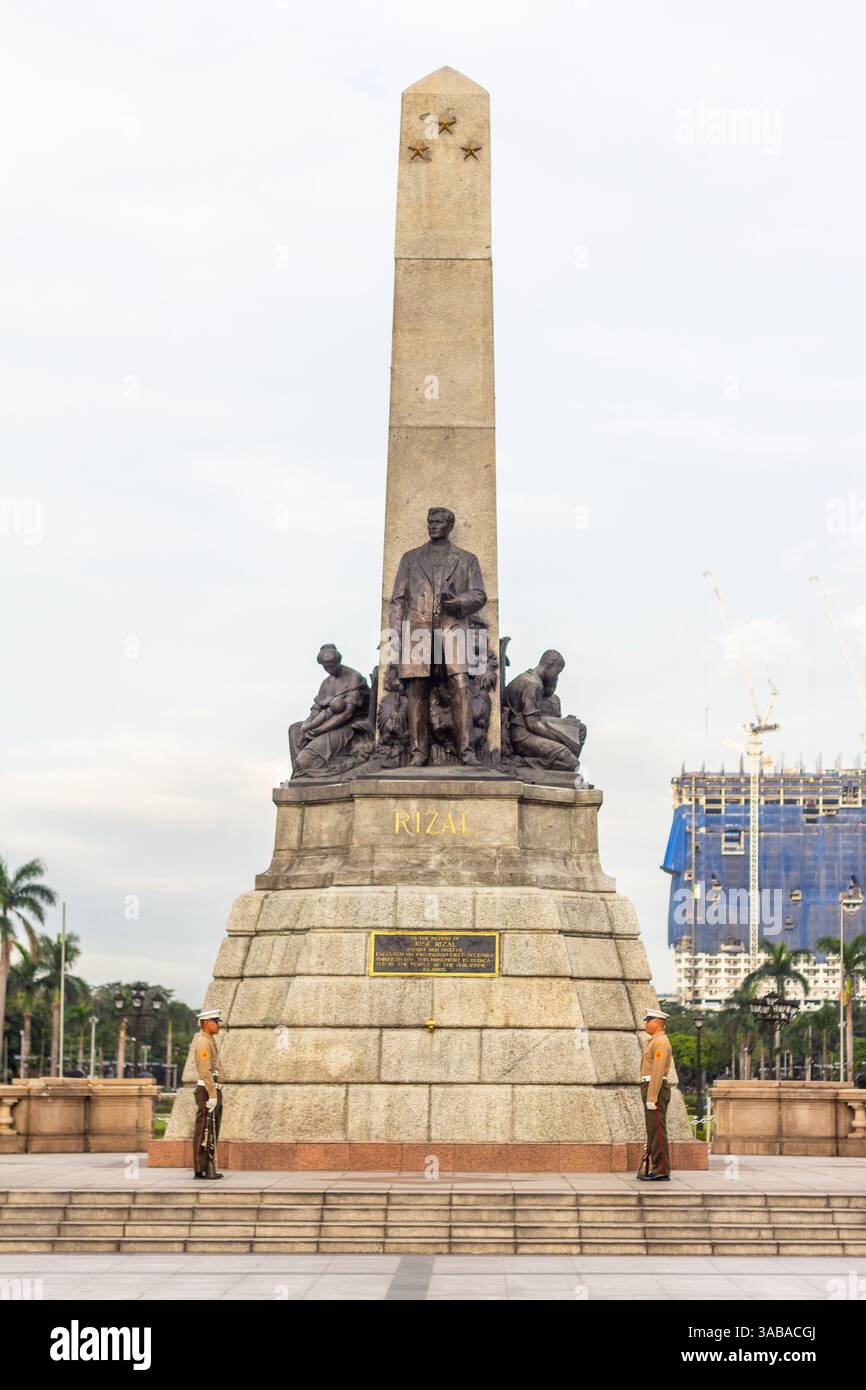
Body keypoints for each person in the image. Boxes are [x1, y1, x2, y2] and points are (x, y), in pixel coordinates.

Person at [387, 507, 487, 767]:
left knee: (461, 686)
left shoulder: (467, 559)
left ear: (449, 526)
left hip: (452, 629)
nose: (433, 526)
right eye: (430, 521)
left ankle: (467, 751)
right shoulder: (411, 558)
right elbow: (397, 600)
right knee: (417, 689)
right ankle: (419, 752)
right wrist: (396, 635)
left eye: (439, 522)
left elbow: (479, 594)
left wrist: (459, 603)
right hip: (418, 632)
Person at [290, 644, 372, 777]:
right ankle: (302, 772)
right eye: (325, 666)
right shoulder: (326, 683)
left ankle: (309, 767)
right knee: (295, 730)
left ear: (338, 661)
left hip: (350, 726)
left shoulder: (353, 677)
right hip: (326, 721)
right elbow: (316, 709)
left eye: (332, 665)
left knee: (304, 759)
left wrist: (319, 730)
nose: (329, 669)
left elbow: (347, 714)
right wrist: (306, 726)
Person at [504, 650, 586, 771]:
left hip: (524, 730)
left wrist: (565, 723)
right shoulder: (532, 684)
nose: (556, 677)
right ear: (548, 665)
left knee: (579, 728)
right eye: (557, 673)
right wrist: (564, 739)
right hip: (521, 736)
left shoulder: (529, 679)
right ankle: (519, 762)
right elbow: (533, 724)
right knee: (572, 763)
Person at [638, 1008, 673, 1181]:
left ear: (657, 1023)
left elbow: (658, 1071)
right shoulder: (654, 1041)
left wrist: (652, 1097)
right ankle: (656, 1167)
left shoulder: (660, 1043)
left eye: (648, 1020)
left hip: (656, 1089)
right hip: (651, 1086)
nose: (646, 1024)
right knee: (653, 1130)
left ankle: (661, 1170)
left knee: (658, 1131)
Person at [192, 1008, 225, 1180]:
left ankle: (205, 1165)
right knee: (205, 1129)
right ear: (206, 1023)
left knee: (210, 1129)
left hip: (211, 1089)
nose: (218, 1025)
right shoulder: (203, 1042)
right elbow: (205, 1071)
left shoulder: (208, 1040)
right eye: (215, 1021)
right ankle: (203, 1167)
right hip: (207, 1090)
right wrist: (212, 1095)